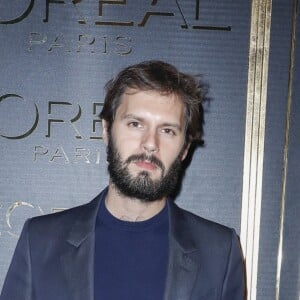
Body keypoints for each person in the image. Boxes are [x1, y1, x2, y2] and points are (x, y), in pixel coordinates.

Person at [0, 61, 246, 300]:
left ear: (184, 148)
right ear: (106, 130)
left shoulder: (219, 252)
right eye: (135, 123)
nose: (150, 143)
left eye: (167, 130)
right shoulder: (41, 242)